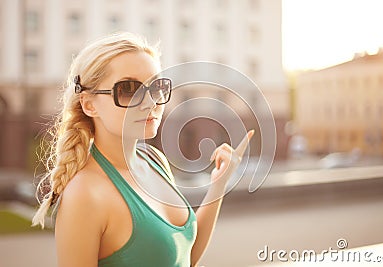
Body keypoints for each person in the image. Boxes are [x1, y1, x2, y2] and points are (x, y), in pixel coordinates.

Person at [32, 31, 254, 267]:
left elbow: (183, 257)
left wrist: (218, 184)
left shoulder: (154, 160)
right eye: (128, 89)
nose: (150, 102)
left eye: (156, 87)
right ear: (89, 104)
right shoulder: (84, 194)